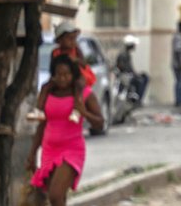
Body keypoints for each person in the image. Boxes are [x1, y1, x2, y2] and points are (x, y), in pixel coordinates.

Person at [26, 54, 104, 206]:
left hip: (71, 150)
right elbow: (42, 125)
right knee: (55, 198)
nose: (62, 79)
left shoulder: (84, 94)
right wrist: (32, 152)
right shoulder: (48, 92)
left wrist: (84, 112)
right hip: (49, 150)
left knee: (55, 195)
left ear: (73, 75)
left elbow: (100, 123)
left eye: (66, 74)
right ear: (53, 75)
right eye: (58, 75)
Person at [30, 22, 96, 122]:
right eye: (69, 39)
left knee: (79, 86)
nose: (72, 42)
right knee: (45, 87)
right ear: (60, 40)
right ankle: (39, 109)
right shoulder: (55, 52)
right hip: (60, 76)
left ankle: (77, 109)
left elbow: (83, 63)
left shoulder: (76, 50)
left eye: (74, 39)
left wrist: (76, 60)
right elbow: (52, 68)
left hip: (77, 75)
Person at [116, 35, 150, 105]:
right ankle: (137, 101)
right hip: (125, 76)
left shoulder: (127, 54)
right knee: (140, 81)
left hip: (129, 75)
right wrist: (134, 75)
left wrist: (136, 74)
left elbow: (130, 68)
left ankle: (138, 99)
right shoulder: (123, 55)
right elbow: (123, 68)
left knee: (145, 77)